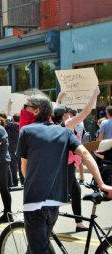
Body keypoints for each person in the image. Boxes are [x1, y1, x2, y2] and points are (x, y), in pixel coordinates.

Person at [16, 92, 112, 254]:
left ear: (37, 111)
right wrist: (101, 184)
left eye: (27, 107)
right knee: (40, 243)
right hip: (55, 201)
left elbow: (24, 168)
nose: (25, 110)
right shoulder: (65, 132)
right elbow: (86, 155)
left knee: (38, 248)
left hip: (34, 201)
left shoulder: (26, 131)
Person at [53, 87, 99, 232]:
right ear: (65, 114)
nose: (69, 113)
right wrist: (94, 95)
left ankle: (78, 223)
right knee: (59, 197)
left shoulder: (55, 124)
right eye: (67, 112)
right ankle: (45, 224)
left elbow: (56, 110)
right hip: (67, 164)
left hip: (66, 164)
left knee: (75, 191)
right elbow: (86, 112)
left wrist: (59, 98)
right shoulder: (67, 124)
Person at [5, 113, 23, 186]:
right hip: (20, 147)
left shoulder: (9, 126)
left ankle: (14, 182)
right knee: (21, 165)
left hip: (11, 148)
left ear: (13, 119)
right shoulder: (23, 126)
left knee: (13, 166)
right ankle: (23, 181)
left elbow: (6, 123)